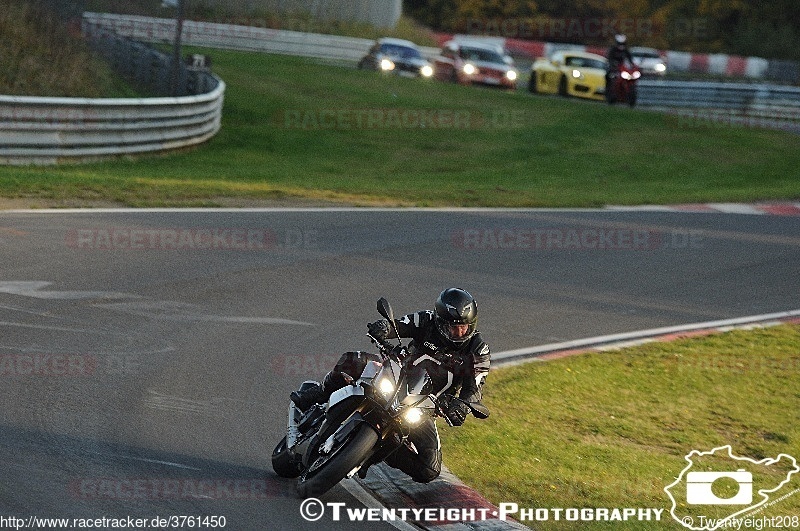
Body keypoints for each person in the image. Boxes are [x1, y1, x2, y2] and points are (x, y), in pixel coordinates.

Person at [289, 288, 491, 483]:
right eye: (453, 327)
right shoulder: (427, 319)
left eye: (465, 326)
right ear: (440, 321)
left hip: (423, 405)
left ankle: (372, 452)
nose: (460, 332)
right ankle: (319, 393)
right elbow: (399, 325)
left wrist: (462, 406)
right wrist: (385, 328)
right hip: (395, 374)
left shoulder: (478, 350)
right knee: (352, 361)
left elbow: (475, 387)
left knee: (429, 469)